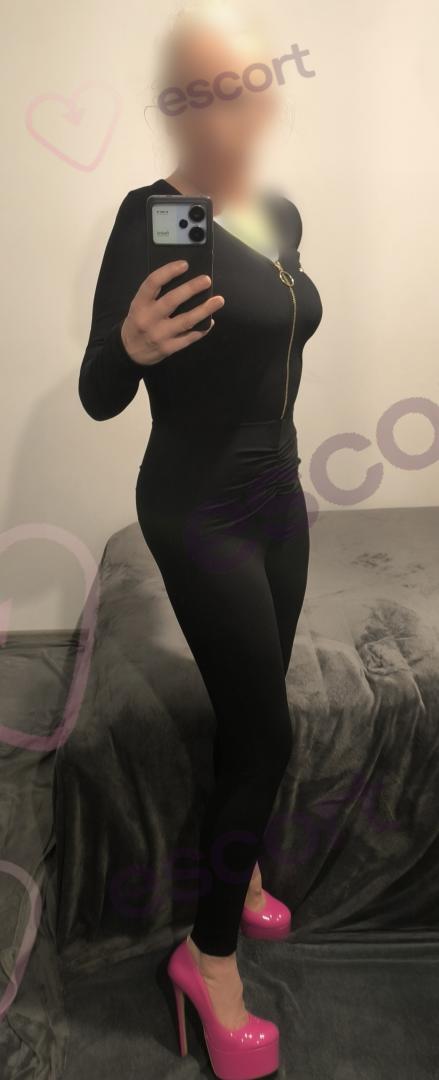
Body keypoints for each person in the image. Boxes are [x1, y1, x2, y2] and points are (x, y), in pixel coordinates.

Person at [78, 3, 323, 1076]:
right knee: (268, 733)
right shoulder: (162, 216)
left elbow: (262, 331)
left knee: (251, 703)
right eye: (208, 85)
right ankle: (207, 960)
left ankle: (244, 867)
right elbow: (99, 389)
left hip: (278, 493)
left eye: (251, 80)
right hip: (198, 502)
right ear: (178, 101)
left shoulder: (277, 213)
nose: (236, 103)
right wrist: (127, 350)